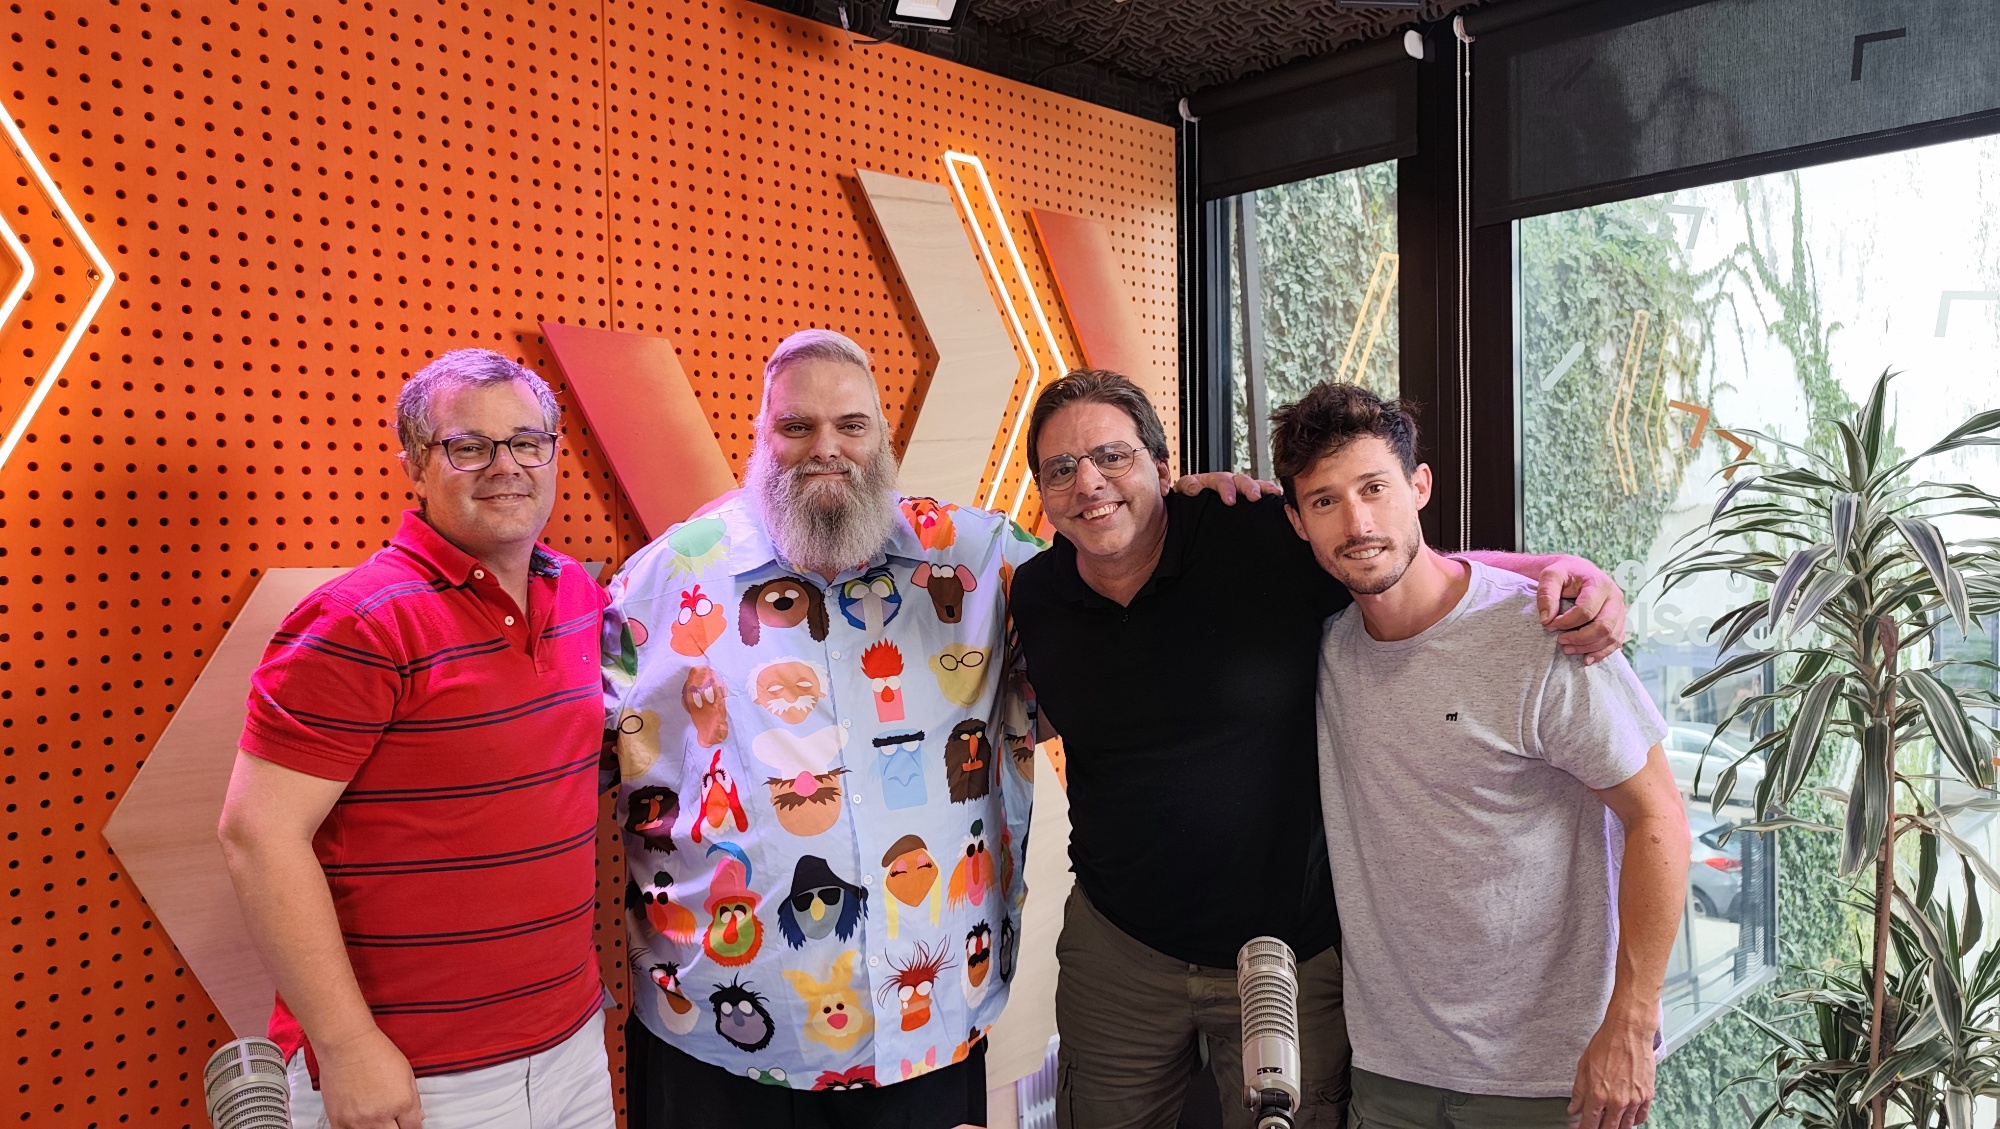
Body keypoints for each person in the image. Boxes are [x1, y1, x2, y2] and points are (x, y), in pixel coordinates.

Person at [1006, 370, 1632, 1129]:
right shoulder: (1035, 596)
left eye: (1113, 456)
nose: (1090, 483)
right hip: (1120, 951)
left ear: (1163, 468)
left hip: (1289, 954)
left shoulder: (1255, 536)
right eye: (1061, 468)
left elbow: (1400, 560)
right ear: (1042, 490)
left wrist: (1569, 575)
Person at [602, 329, 1050, 1128]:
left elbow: (1119, 583)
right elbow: (560, 758)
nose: (826, 448)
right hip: (719, 1042)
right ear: (760, 437)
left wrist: (1196, 513)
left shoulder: (979, 561)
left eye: (851, 425)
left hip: (928, 1027)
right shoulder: (666, 580)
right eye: (797, 426)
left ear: (883, 436)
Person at [219, 349, 617, 1129]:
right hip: (414, 1071)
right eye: (469, 446)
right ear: (415, 465)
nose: (505, 466)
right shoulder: (360, 620)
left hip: (570, 1048)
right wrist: (346, 1044)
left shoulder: (577, 594)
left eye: (526, 441)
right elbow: (257, 835)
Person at [1273, 382, 1689, 1129]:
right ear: (1298, 522)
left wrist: (1631, 1020)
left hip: (1554, 1075)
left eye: (1374, 488)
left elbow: (1657, 816)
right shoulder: (1329, 648)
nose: (1358, 522)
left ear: (1419, 487)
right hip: (1391, 1067)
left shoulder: (1542, 636)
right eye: (1325, 501)